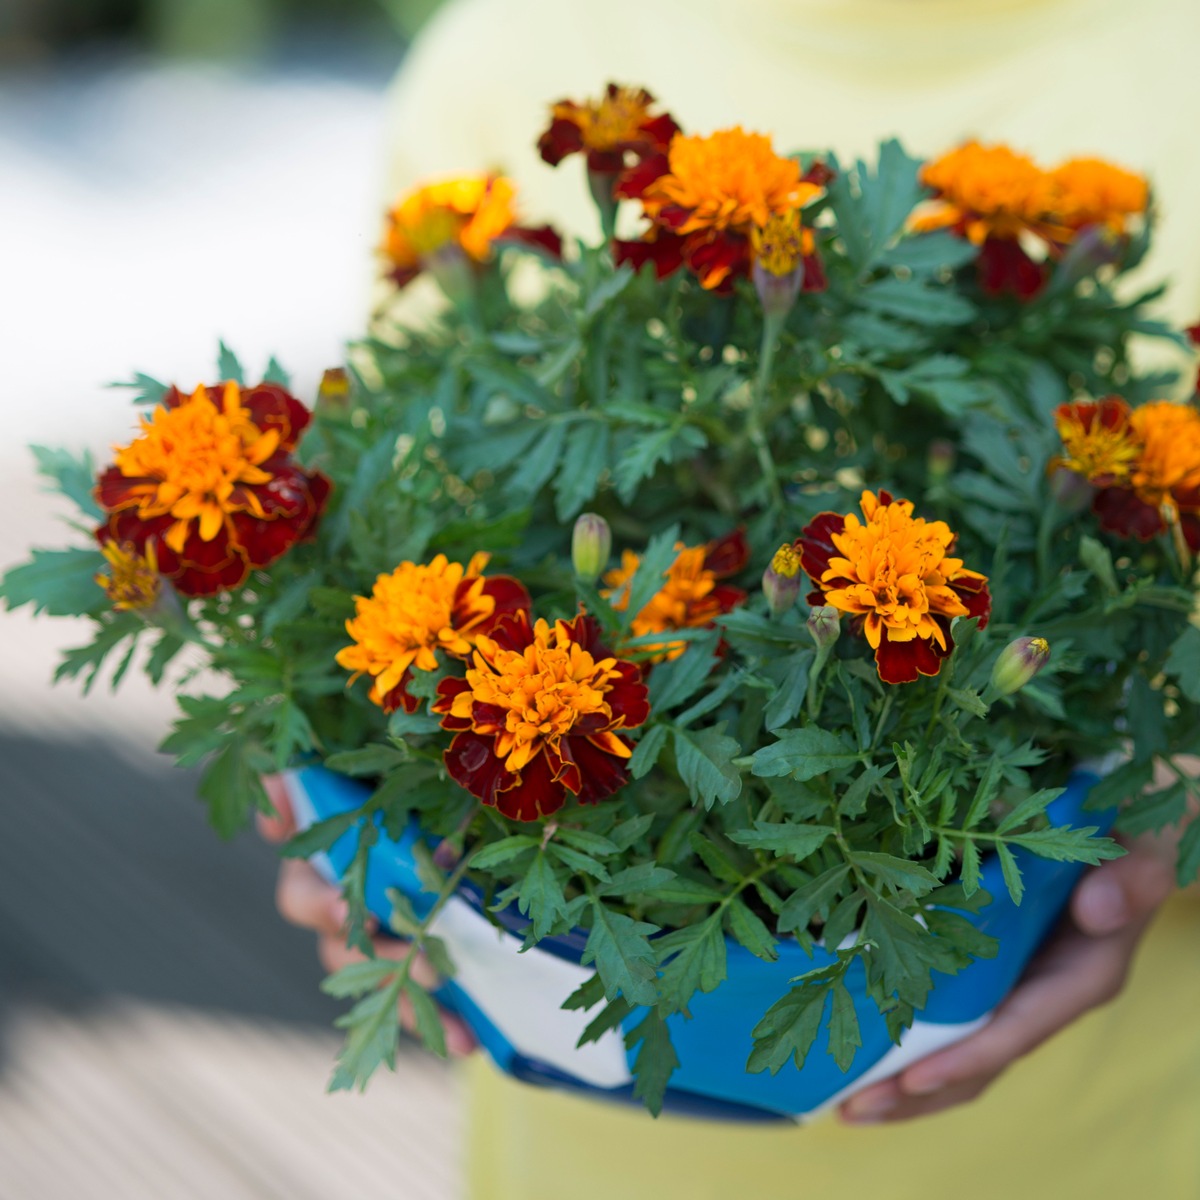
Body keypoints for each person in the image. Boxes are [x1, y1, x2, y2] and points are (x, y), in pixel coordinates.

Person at [265, 0, 1200, 1194]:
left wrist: (1160, 807)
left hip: (1104, 1144)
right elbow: (404, 453)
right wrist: (350, 837)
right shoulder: (507, 49)